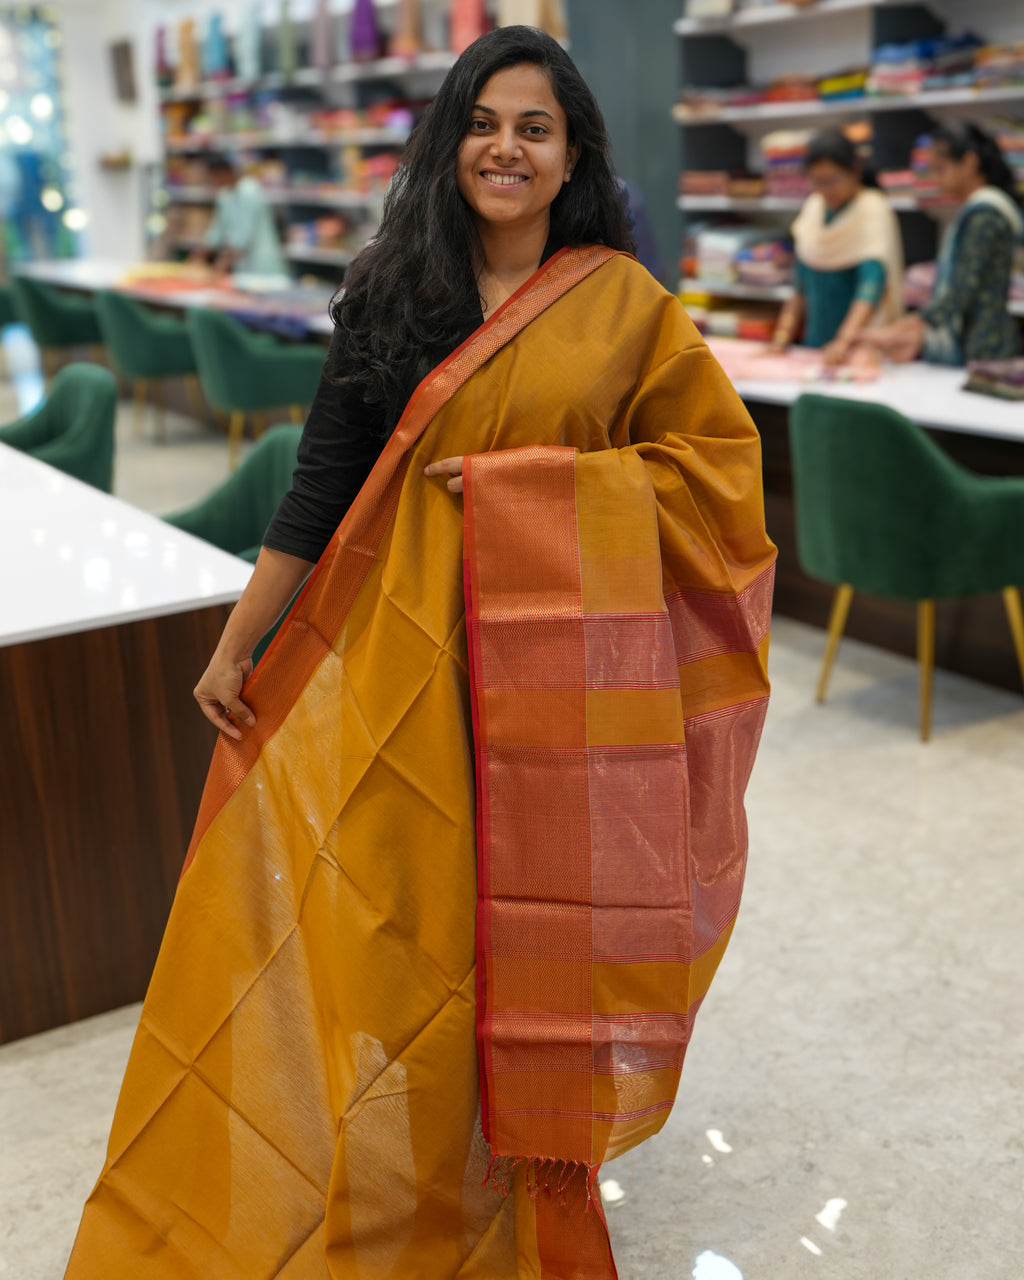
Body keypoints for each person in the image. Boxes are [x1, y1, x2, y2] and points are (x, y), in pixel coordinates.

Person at [64, 27, 775, 1280]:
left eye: (534, 128)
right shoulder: (392, 290)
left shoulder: (625, 307)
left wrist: (538, 491)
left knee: (529, 941)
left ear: (570, 159)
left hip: (558, 696)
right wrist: (240, 643)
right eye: (484, 122)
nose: (506, 147)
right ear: (450, 143)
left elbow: (714, 479)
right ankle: (405, 1178)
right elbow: (321, 486)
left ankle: (513, 1181)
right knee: (405, 928)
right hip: (398, 674)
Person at [861, 121, 1024, 365]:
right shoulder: (978, 212)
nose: (936, 180)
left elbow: (961, 292)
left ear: (969, 163)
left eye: (940, 169)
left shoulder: (985, 216)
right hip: (976, 343)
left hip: (983, 349)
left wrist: (901, 329)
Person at [771, 128, 904, 365]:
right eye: (817, 181)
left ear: (855, 170)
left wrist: (843, 341)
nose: (825, 190)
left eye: (833, 180)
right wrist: (781, 339)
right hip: (814, 344)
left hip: (857, 348)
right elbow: (799, 287)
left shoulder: (872, 210)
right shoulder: (813, 210)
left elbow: (870, 288)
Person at [193, 153, 288, 278]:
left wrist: (220, 266)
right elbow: (217, 230)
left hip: (263, 265)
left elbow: (242, 237)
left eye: (213, 177)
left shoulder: (250, 191)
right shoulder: (224, 196)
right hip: (242, 268)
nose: (213, 182)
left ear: (224, 173)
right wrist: (198, 257)